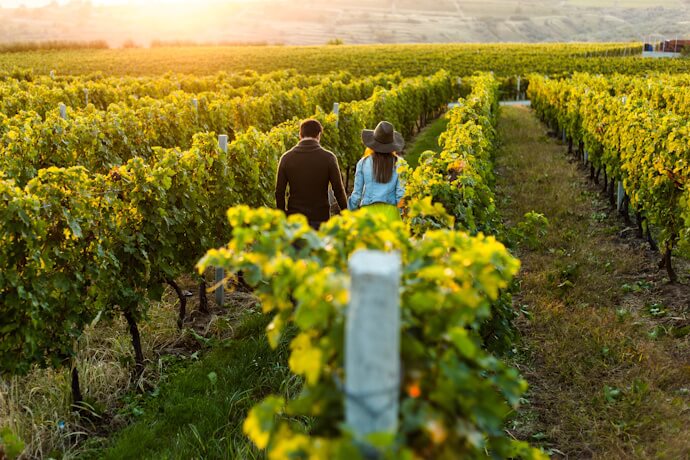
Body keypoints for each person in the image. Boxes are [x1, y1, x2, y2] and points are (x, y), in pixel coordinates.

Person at [275, 119, 348, 230]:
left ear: (300, 135)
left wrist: (283, 216)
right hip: (320, 218)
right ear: (319, 135)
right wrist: (345, 212)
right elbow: (338, 189)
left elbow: (279, 192)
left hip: (295, 219)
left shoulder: (286, 158)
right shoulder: (329, 158)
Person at [348, 121, 405, 221]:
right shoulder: (400, 163)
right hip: (391, 215)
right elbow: (401, 194)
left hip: (368, 215)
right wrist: (403, 214)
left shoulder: (363, 162)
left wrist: (350, 211)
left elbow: (357, 194)